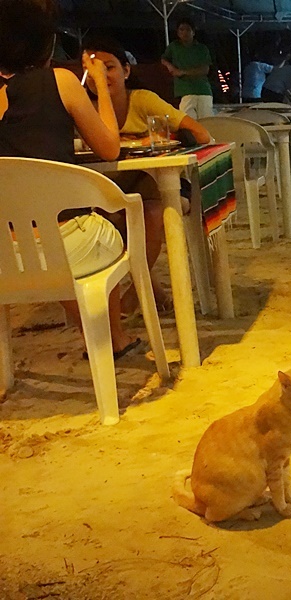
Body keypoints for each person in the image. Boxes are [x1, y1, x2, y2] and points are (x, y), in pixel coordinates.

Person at [0, 0, 140, 359]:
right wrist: (100, 87)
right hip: (61, 245)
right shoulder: (60, 82)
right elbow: (109, 147)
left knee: (49, 237)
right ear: (47, 45)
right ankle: (113, 337)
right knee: (100, 227)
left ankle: (105, 338)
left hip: (6, 251)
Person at [82, 36, 211, 317]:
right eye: (93, 69)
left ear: (126, 71)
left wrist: (159, 145)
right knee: (103, 220)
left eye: (109, 67)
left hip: (165, 188)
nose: (100, 76)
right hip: (113, 193)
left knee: (148, 215)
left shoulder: (141, 100)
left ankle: (132, 297)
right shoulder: (83, 108)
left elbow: (201, 134)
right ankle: (151, 292)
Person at [161, 18, 213, 120]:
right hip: (185, 90)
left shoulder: (202, 48)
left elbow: (205, 70)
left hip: (203, 90)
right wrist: (170, 66)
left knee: (207, 123)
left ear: (193, 32)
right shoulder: (174, 46)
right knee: (188, 123)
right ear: (178, 32)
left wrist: (182, 72)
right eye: (181, 29)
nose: (184, 32)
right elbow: (163, 59)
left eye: (188, 30)